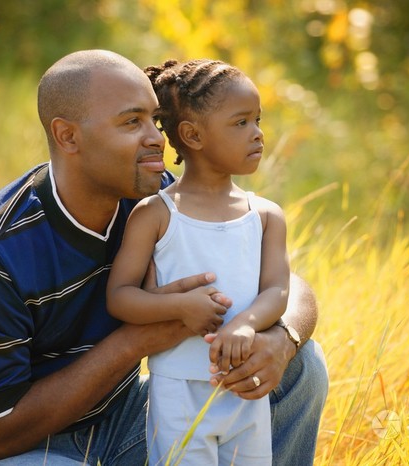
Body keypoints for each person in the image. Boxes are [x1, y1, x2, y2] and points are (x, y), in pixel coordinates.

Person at [0, 49, 328, 465]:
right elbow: (3, 433)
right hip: (10, 454)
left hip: (120, 417)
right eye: (132, 122)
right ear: (68, 136)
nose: (156, 138)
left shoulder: (156, 199)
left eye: (154, 118)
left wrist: (282, 339)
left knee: (301, 367)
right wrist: (139, 340)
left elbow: (286, 286)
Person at [106, 58, 288, 465]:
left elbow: (277, 289)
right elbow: (119, 297)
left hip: (244, 389)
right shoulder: (156, 214)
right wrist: (179, 307)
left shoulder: (265, 215)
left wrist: (245, 323)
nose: (258, 134)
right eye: (241, 123)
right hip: (177, 393)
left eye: (258, 120)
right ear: (192, 135)